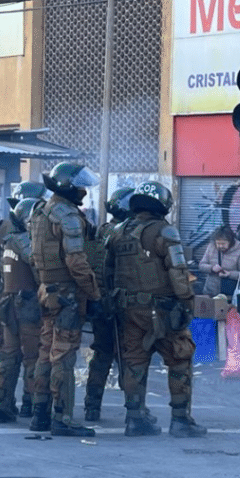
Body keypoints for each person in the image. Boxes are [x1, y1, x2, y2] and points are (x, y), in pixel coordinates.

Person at [105, 181, 206, 437]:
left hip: (128, 311)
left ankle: (135, 419)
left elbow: (107, 271)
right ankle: (180, 420)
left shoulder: (118, 232)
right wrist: (186, 302)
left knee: (135, 362)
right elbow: (178, 271)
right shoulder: (164, 231)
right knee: (180, 358)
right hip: (162, 309)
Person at [29, 162, 102, 437]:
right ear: (67, 187)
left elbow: (35, 258)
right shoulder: (68, 216)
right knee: (63, 355)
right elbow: (76, 261)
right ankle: (64, 417)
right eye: (80, 186)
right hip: (68, 296)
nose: (84, 191)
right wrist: (93, 292)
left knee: (46, 352)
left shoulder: (41, 212)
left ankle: (40, 414)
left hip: (47, 291)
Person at [0, 181, 46, 422]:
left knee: (8, 356)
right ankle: (30, 404)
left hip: (6, 302)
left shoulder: (4, 231)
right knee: (32, 356)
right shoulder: (26, 238)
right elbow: (39, 271)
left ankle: (1, 404)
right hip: (28, 303)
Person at [82, 186, 133, 422]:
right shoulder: (124, 235)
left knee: (102, 356)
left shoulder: (102, 231)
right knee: (130, 357)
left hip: (101, 304)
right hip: (119, 305)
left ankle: (92, 406)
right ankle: (135, 410)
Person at [198, 226, 240, 297]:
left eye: (223, 243)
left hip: (230, 293)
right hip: (210, 291)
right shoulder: (211, 247)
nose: (220, 246)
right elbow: (201, 265)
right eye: (218, 243)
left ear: (230, 242)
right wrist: (212, 268)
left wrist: (229, 274)